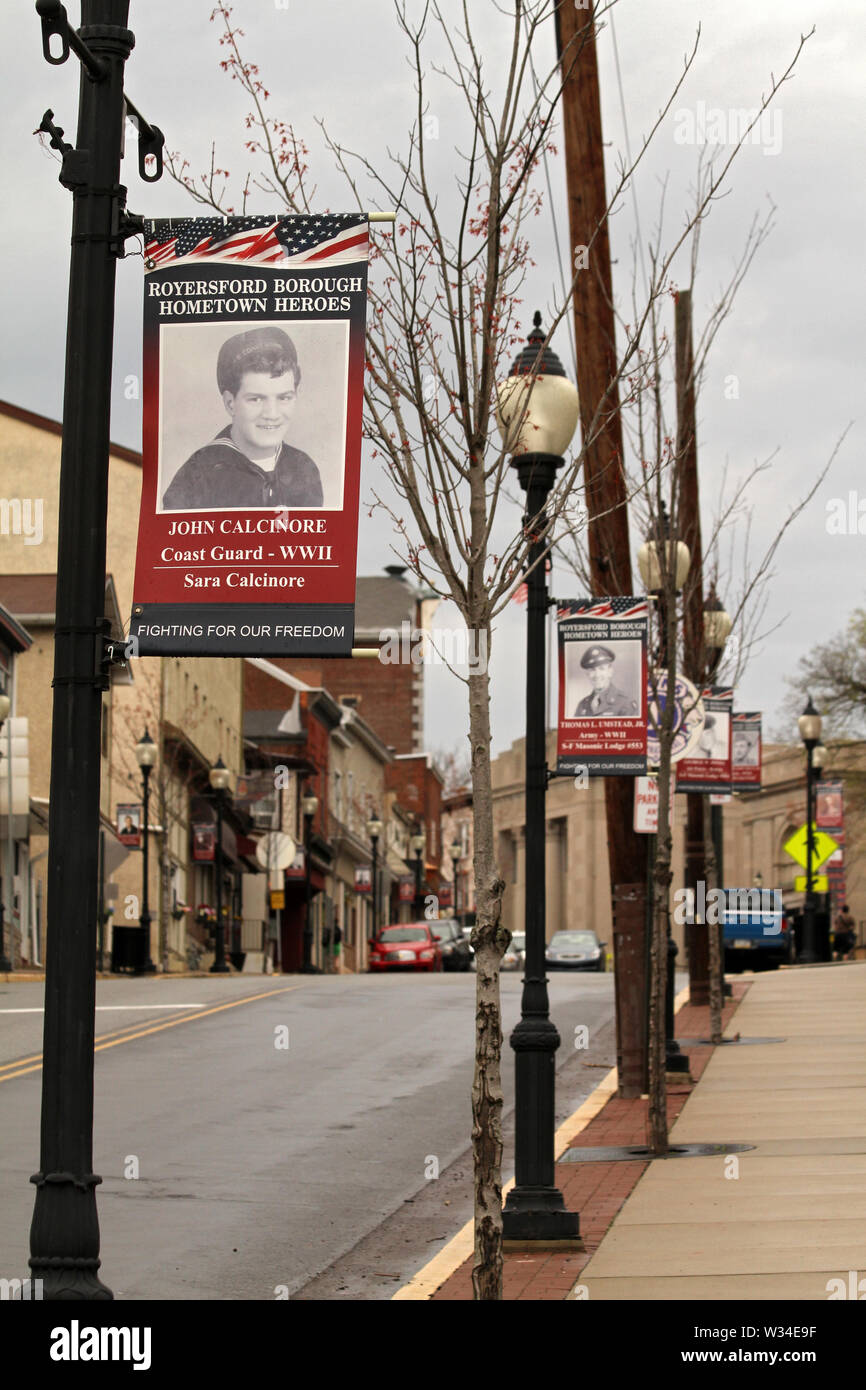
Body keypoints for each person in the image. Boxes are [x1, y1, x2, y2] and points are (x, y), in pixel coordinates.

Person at [162, 326, 324, 510]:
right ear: (231, 403)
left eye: (284, 398)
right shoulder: (198, 475)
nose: (272, 414)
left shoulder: (303, 469)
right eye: (256, 399)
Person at [573, 646, 638, 717]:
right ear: (587, 674)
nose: (597, 675)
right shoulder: (582, 705)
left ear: (610, 672)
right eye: (592, 670)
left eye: (601, 669)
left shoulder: (626, 703)